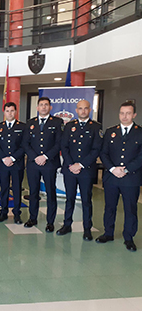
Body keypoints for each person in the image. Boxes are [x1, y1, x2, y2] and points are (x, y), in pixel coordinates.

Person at [96, 101, 142, 252]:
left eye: (128, 113)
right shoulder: (110, 132)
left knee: (130, 208)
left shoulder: (140, 132)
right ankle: (108, 233)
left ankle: (129, 237)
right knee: (109, 207)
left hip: (131, 178)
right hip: (111, 177)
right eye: (122, 113)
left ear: (134, 115)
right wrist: (112, 168)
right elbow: (104, 153)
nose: (125, 116)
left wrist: (126, 169)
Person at [57, 100, 103, 240]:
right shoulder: (69, 126)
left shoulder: (96, 127)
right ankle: (66, 225)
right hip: (70, 169)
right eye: (80, 108)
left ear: (90, 110)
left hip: (86, 170)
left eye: (85, 108)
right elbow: (64, 147)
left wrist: (81, 165)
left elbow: (96, 149)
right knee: (69, 198)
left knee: (86, 200)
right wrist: (71, 164)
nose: (83, 111)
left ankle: (87, 229)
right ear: (76, 110)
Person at [22, 97, 63, 232]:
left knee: (50, 192)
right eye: (41, 105)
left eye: (46, 105)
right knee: (33, 192)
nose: (44, 107)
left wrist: (45, 156)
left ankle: (50, 222)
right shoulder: (30, 123)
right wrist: (35, 157)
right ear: (37, 107)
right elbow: (25, 143)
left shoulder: (57, 122)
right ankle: (32, 218)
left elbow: (59, 143)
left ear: (50, 107)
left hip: (49, 163)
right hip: (33, 163)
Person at [0, 102, 26, 224]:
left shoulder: (23, 127)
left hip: (17, 163)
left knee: (17, 189)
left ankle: (17, 213)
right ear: (4, 112)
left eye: (12, 111)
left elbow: (24, 146)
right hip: (3, 164)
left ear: (16, 112)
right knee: (4, 188)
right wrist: (3, 158)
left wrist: (12, 158)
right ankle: (3, 212)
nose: (10, 113)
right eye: (7, 111)